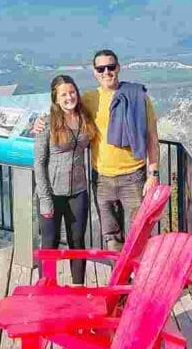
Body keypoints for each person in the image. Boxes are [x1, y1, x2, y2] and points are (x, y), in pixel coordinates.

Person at [37, 48, 159, 251]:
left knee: (139, 235)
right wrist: (40, 121)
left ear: (118, 68)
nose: (106, 72)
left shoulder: (139, 97)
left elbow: (152, 137)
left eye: (110, 67)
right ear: (94, 72)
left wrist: (153, 173)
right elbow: (64, 107)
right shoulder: (88, 100)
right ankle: (119, 279)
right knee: (111, 238)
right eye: (101, 68)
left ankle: (138, 281)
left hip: (134, 177)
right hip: (102, 179)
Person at [33, 74, 95, 284]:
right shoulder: (47, 124)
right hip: (51, 193)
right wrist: (45, 199)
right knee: (49, 244)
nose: (69, 97)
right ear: (55, 99)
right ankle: (46, 288)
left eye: (72, 92)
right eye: (63, 94)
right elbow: (39, 163)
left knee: (77, 241)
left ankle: (78, 286)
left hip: (78, 191)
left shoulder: (86, 118)